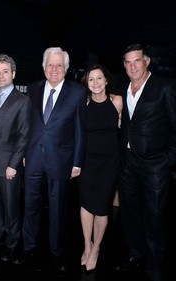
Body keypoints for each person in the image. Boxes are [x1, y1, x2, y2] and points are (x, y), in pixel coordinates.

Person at [12, 47, 87, 274]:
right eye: (50, 65)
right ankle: (29, 247)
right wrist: (23, 153)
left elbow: (80, 130)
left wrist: (77, 162)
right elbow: (27, 125)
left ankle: (57, 251)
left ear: (66, 69)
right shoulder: (33, 88)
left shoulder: (77, 92)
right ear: (44, 67)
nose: (54, 70)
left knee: (58, 209)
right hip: (33, 158)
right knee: (31, 206)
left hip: (61, 161)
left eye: (59, 65)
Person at [113, 43, 176, 281]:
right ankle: (135, 253)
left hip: (154, 165)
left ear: (147, 61)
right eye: (128, 62)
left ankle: (156, 266)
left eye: (136, 60)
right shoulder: (122, 87)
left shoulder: (165, 87)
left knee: (155, 216)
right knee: (129, 213)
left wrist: (167, 160)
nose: (132, 66)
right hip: (127, 162)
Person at [0, 54, 31, 262]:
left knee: (11, 206)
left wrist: (14, 164)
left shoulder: (23, 100)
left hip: (8, 164)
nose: (1, 76)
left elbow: (23, 135)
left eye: (5, 71)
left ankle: (12, 242)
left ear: (13, 74)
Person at [78, 64, 123, 271]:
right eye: (91, 79)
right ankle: (87, 246)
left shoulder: (117, 102)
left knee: (102, 208)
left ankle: (96, 249)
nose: (95, 83)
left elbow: (124, 130)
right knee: (87, 206)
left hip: (109, 164)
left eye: (99, 78)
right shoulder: (84, 103)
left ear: (106, 81)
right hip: (88, 163)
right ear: (87, 83)